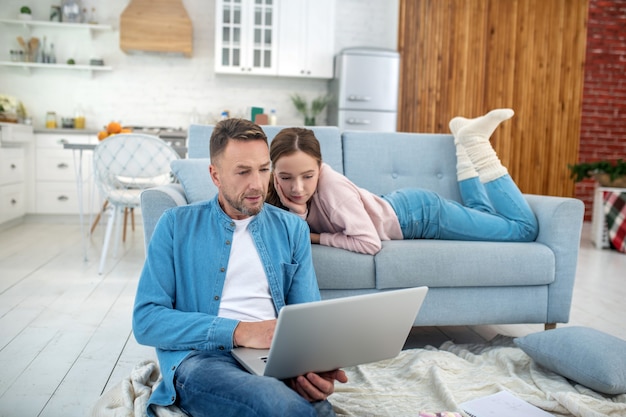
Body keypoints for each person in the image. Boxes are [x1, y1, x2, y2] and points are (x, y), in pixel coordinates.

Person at [132, 118, 348, 417]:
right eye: (243, 172)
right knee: (275, 402)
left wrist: (312, 370)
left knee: (317, 406)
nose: (257, 184)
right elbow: (147, 320)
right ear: (215, 175)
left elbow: (306, 320)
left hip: (273, 358)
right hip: (202, 360)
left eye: (263, 169)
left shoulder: (291, 229)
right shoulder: (175, 225)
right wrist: (239, 332)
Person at [266, 108, 539, 255]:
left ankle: (476, 144)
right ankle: (461, 139)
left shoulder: (333, 190)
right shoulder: (275, 191)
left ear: (319, 166)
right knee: (484, 217)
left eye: (308, 176)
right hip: (405, 208)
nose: (297, 188)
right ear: (273, 172)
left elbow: (369, 244)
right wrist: (299, 214)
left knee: (523, 230)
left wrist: (315, 237)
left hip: (421, 216)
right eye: (286, 177)